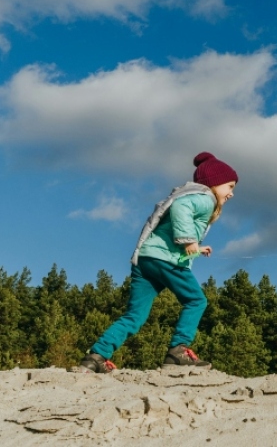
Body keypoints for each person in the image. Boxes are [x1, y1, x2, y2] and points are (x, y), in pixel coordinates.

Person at [73, 152, 238, 373]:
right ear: (214, 182)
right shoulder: (204, 197)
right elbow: (182, 209)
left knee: (134, 315)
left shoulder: (195, 196)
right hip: (164, 259)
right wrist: (188, 241)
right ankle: (178, 351)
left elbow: (171, 229)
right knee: (196, 301)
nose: (231, 193)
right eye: (229, 186)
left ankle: (96, 357)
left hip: (146, 259)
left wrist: (196, 249)